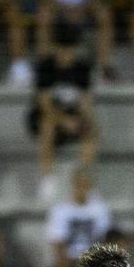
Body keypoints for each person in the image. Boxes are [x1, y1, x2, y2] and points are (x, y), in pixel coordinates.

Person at [33, 23, 97, 200]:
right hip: (47, 116)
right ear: (55, 49)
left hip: (72, 116)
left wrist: (83, 121)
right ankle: (47, 178)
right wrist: (64, 121)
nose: (65, 56)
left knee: (91, 129)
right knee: (47, 126)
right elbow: (44, 105)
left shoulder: (82, 68)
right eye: (61, 51)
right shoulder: (45, 67)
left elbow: (85, 104)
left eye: (68, 51)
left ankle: (83, 180)